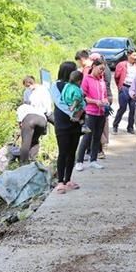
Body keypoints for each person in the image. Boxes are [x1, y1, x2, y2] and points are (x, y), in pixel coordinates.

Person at [51, 61, 82, 193]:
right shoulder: (56, 85)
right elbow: (59, 103)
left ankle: (68, 179)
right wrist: (73, 113)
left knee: (71, 152)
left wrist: (79, 113)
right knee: (63, 152)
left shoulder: (75, 86)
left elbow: (81, 99)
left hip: (75, 122)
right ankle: (60, 182)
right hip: (63, 123)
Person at [76, 59, 110, 171]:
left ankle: (93, 160)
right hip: (90, 112)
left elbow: (104, 95)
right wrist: (95, 102)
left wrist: (105, 101)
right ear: (94, 66)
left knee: (97, 137)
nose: (102, 72)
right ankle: (79, 161)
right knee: (87, 136)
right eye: (100, 69)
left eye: (103, 70)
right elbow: (83, 96)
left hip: (101, 113)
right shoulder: (86, 79)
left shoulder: (102, 81)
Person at [89, 52, 113, 159]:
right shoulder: (104, 70)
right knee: (100, 128)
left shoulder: (99, 75)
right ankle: (99, 150)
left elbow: (105, 87)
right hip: (100, 103)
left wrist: (104, 101)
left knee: (97, 130)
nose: (101, 72)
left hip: (99, 105)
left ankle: (100, 149)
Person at [113, 50, 136, 134]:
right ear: (129, 55)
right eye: (134, 55)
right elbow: (116, 76)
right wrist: (120, 87)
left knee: (133, 109)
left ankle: (130, 127)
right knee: (122, 108)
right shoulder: (121, 65)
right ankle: (115, 125)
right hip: (124, 88)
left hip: (134, 89)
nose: (135, 58)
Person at [61, 70, 90, 134]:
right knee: (84, 106)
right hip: (76, 107)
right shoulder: (77, 89)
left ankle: (79, 119)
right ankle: (82, 124)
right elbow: (76, 99)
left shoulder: (67, 86)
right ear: (79, 81)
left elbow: (63, 95)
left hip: (67, 104)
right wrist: (73, 107)